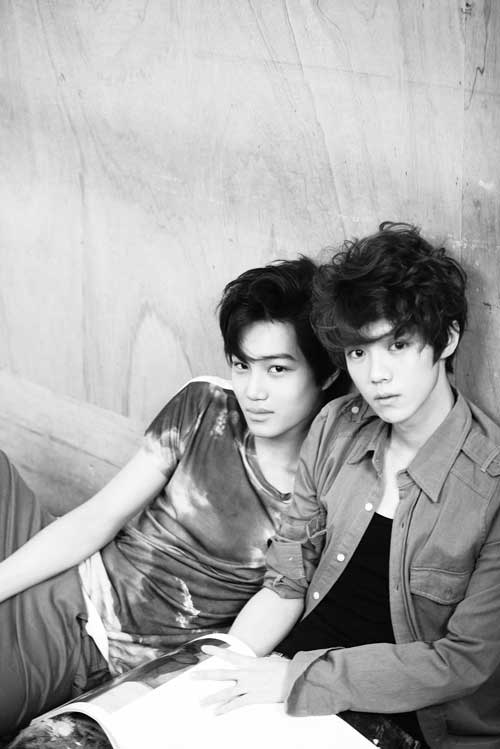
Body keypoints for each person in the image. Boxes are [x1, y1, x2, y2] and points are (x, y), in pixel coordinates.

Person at [0, 256, 351, 737]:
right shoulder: (206, 404)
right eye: (242, 365)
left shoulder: (331, 481)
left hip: (102, 650)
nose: (253, 390)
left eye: (277, 369)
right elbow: (101, 515)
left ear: (326, 374)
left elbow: (281, 597)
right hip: (74, 572)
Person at [199, 223, 500, 749]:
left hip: (399, 722)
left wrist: (299, 679)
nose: (376, 375)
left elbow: (462, 661)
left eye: (398, 345)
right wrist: (221, 675)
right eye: (359, 352)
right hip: (286, 686)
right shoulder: (336, 426)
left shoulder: (490, 485)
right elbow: (286, 583)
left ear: (447, 338)